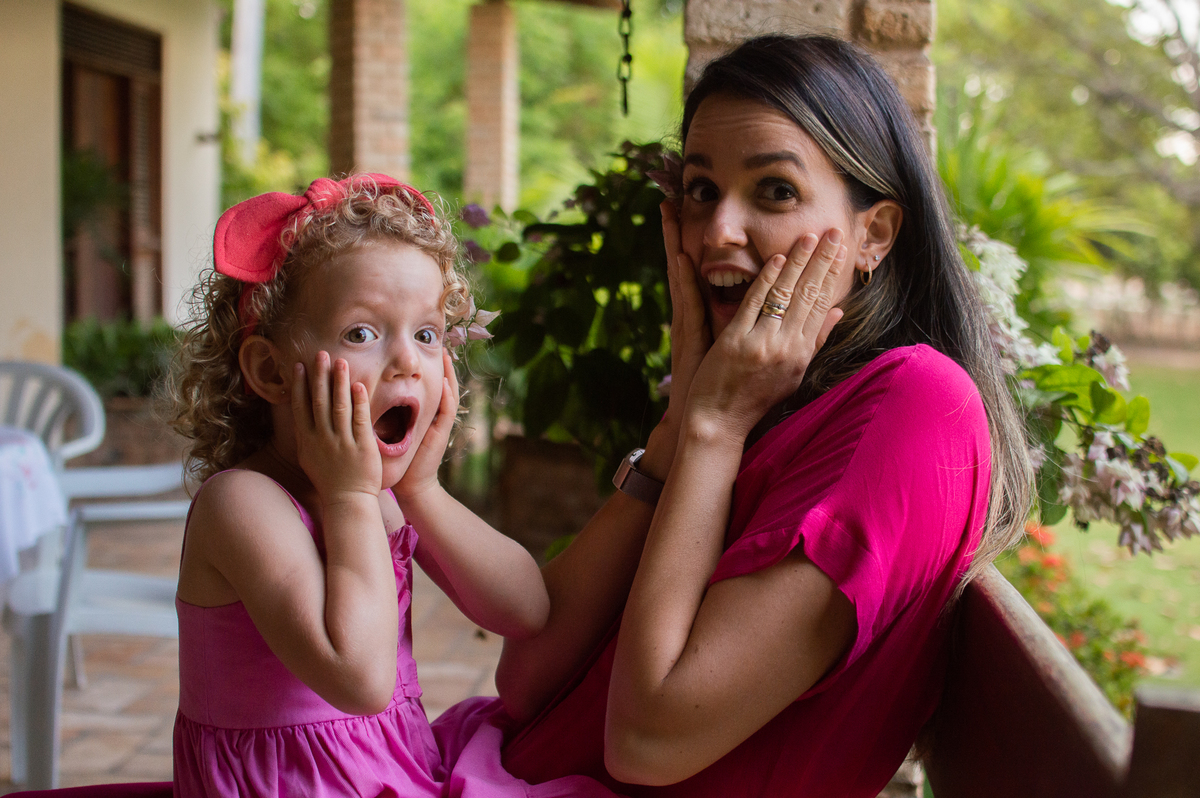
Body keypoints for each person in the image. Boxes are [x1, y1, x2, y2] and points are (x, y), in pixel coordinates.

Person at [477, 34, 1033, 797]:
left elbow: (647, 740)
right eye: (702, 190)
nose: (716, 232)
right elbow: (527, 680)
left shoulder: (914, 405)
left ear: (873, 234)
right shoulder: (758, 404)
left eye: (773, 191)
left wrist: (711, 428)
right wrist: (675, 440)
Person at [167, 175, 613, 797]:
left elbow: (523, 609)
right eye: (362, 333)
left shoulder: (379, 497)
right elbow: (361, 678)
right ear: (270, 369)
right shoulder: (243, 504)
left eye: (427, 334)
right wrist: (352, 498)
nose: (408, 361)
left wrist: (422, 492)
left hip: (395, 770)